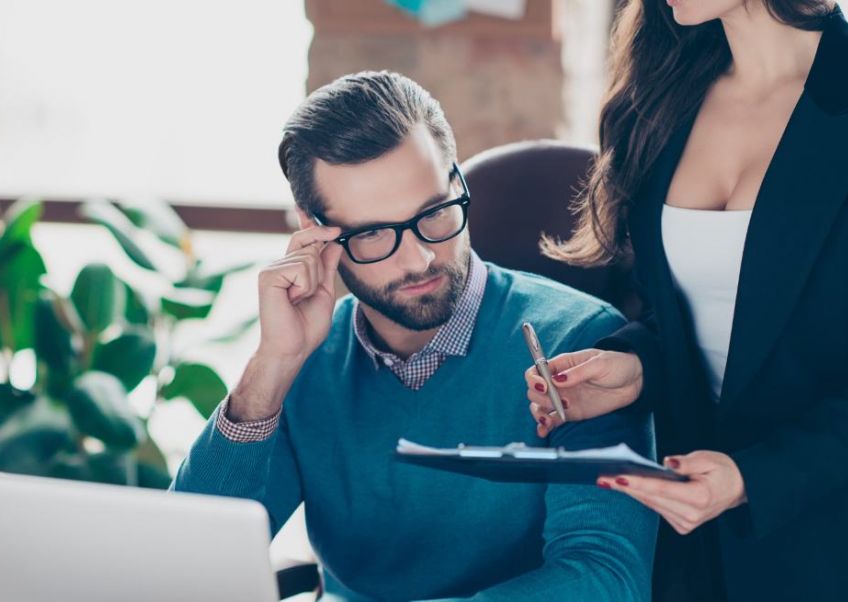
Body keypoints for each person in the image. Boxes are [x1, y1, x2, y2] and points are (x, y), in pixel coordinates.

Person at [172, 70, 658, 601]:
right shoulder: (306, 359)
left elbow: (606, 579)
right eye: (374, 232)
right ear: (313, 234)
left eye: (433, 213)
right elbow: (186, 563)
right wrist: (271, 367)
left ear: (456, 183)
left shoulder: (585, 345)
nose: (420, 257)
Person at [526, 2, 848, 601]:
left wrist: (752, 479)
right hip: (700, 547)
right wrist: (637, 367)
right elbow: (689, 314)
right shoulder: (660, 99)